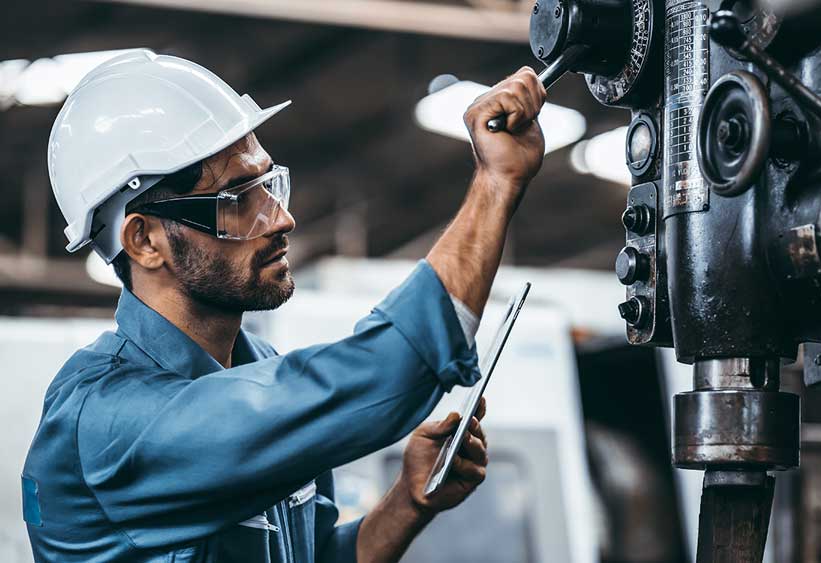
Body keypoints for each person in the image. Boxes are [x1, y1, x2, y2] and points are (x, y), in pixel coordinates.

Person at [22, 50, 547, 562]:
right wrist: (494, 184)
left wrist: (407, 502)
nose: (279, 219)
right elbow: (385, 372)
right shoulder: (109, 420)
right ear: (144, 242)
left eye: (268, 185)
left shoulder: (259, 367)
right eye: (236, 200)